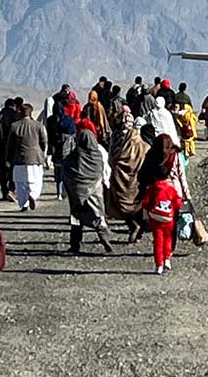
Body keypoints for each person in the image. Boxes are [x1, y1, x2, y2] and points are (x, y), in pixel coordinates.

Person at [137, 134, 193, 272]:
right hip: (174, 192)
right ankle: (168, 254)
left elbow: (142, 175)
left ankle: (159, 261)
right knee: (170, 227)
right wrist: (187, 196)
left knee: (158, 233)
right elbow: (182, 176)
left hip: (156, 195)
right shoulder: (175, 156)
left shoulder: (151, 155)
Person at [63, 127, 114, 254]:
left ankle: (75, 244)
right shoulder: (97, 155)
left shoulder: (74, 156)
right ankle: (103, 236)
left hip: (77, 193)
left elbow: (67, 171)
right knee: (98, 215)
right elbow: (103, 171)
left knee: (76, 218)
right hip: (95, 190)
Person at [106, 107, 150, 243]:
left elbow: (115, 158)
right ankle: (137, 230)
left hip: (122, 181)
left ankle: (134, 228)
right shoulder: (143, 144)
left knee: (122, 205)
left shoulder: (122, 142)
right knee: (137, 205)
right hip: (137, 181)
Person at [5, 103, 48, 211]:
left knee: (20, 183)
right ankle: (33, 195)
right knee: (36, 180)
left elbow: (10, 144)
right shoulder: (38, 125)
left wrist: (8, 158)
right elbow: (44, 141)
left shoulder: (14, 126)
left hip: (19, 158)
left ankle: (24, 204)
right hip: (35, 158)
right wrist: (41, 152)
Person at [141, 176, 183, 276]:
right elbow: (178, 204)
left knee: (157, 241)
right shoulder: (171, 189)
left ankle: (159, 264)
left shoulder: (151, 188)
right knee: (168, 238)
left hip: (155, 219)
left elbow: (145, 203)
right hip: (168, 219)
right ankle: (167, 259)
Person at [49, 102, 76, 201]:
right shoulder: (68, 120)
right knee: (64, 172)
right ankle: (63, 191)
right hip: (66, 150)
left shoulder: (51, 120)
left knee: (59, 173)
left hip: (57, 150)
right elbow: (73, 132)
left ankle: (59, 192)